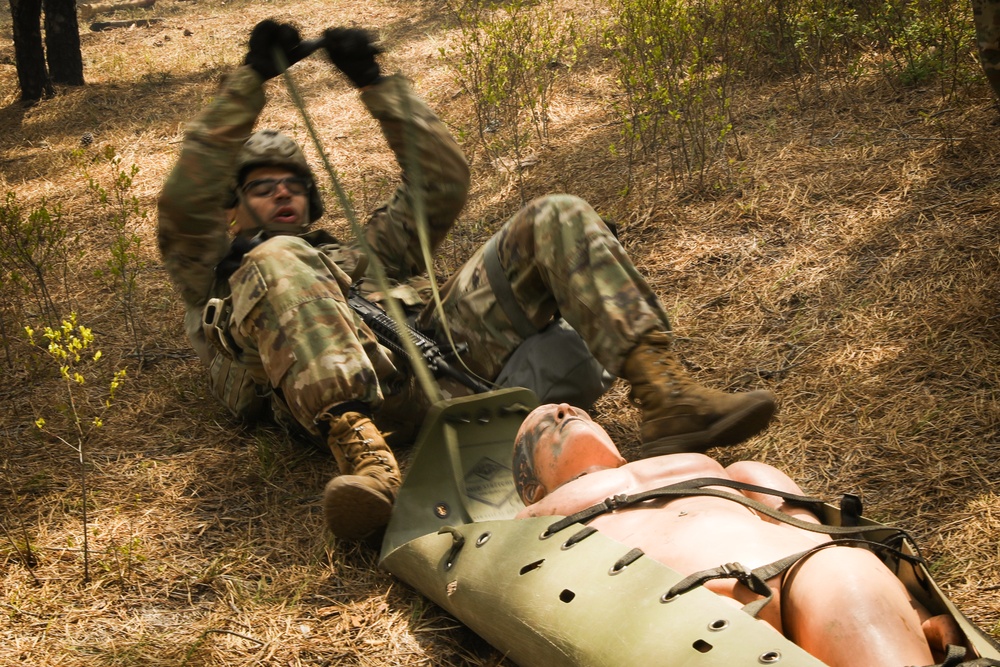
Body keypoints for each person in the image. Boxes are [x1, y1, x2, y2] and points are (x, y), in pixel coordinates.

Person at [157, 20, 777, 542]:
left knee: (555, 213)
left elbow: (441, 184)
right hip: (364, 404)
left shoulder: (357, 255)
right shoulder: (211, 269)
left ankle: (667, 397)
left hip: (446, 358)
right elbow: (186, 195)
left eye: (293, 185)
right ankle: (370, 465)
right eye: (262, 188)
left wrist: (374, 81)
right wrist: (250, 82)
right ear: (229, 209)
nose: (283, 193)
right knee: (279, 257)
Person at [512, 403, 967, 667]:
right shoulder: (531, 521)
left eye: (576, 411)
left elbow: (815, 531)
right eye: (545, 424)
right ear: (533, 487)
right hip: (700, 615)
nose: (564, 409)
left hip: (810, 574)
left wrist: (913, 607)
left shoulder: (720, 469)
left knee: (847, 577)